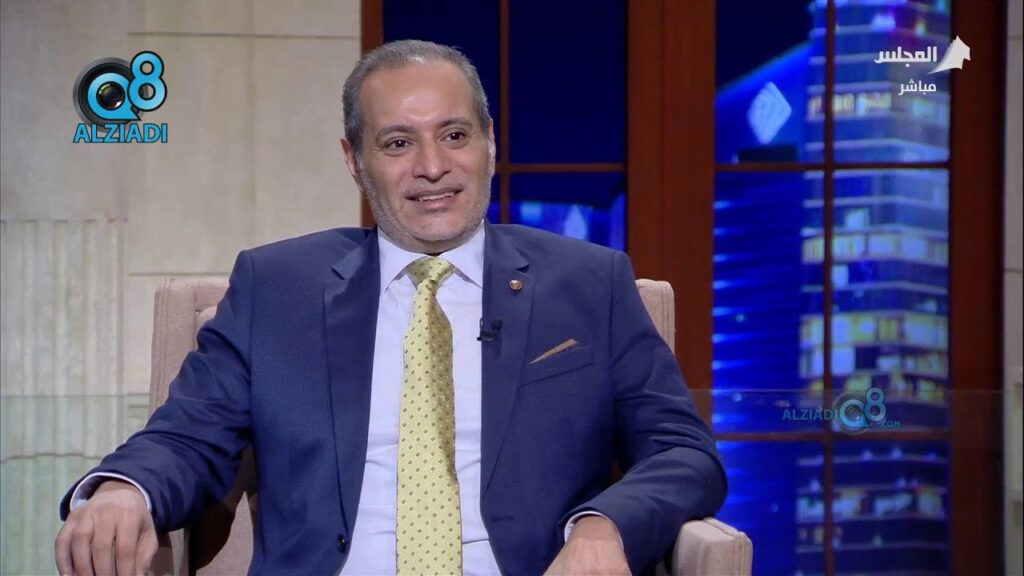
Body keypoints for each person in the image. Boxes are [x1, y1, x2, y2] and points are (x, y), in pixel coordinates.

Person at [55, 40, 725, 575]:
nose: (433, 166)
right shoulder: (276, 287)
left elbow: (683, 452)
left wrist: (602, 526)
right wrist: (123, 490)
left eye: (454, 135)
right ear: (354, 160)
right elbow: (187, 437)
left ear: (490, 141)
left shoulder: (589, 284)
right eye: (398, 143)